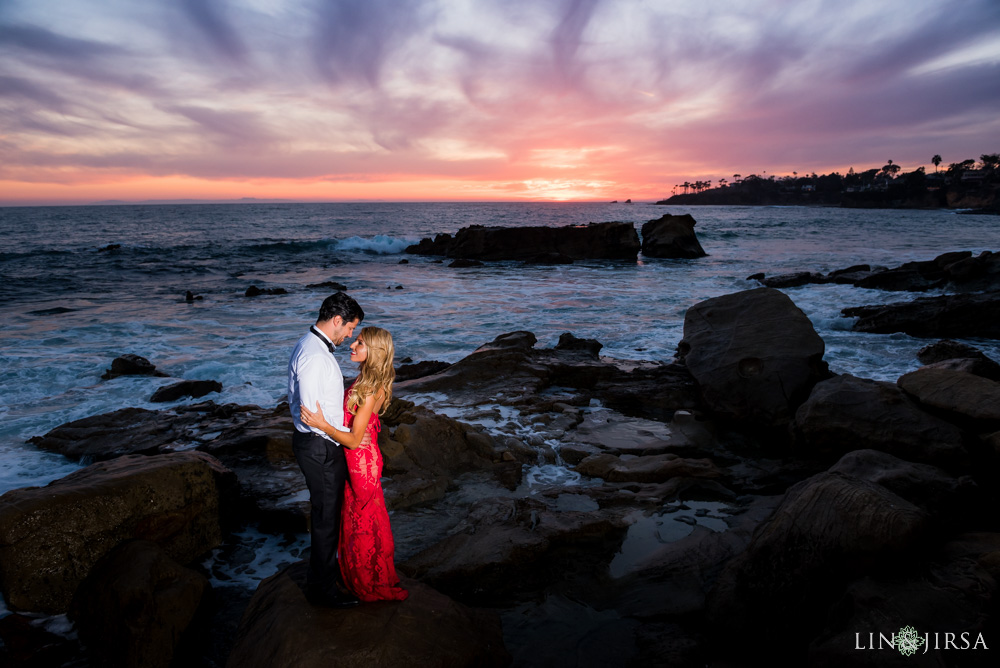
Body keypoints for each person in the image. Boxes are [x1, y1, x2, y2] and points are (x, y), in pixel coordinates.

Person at [300, 326, 408, 602]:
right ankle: (357, 574)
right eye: (355, 340)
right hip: (359, 458)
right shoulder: (366, 379)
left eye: (360, 343)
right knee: (358, 519)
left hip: (361, 461)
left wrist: (321, 424)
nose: (353, 345)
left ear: (374, 351)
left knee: (361, 522)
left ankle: (367, 579)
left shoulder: (371, 389)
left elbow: (353, 439)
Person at [287, 291, 364, 608]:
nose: (350, 335)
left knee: (326, 516)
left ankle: (324, 581)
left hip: (319, 443)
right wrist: (348, 436)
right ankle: (322, 591)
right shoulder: (316, 356)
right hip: (321, 447)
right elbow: (311, 414)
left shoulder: (310, 346)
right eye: (350, 327)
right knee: (325, 520)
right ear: (337, 320)